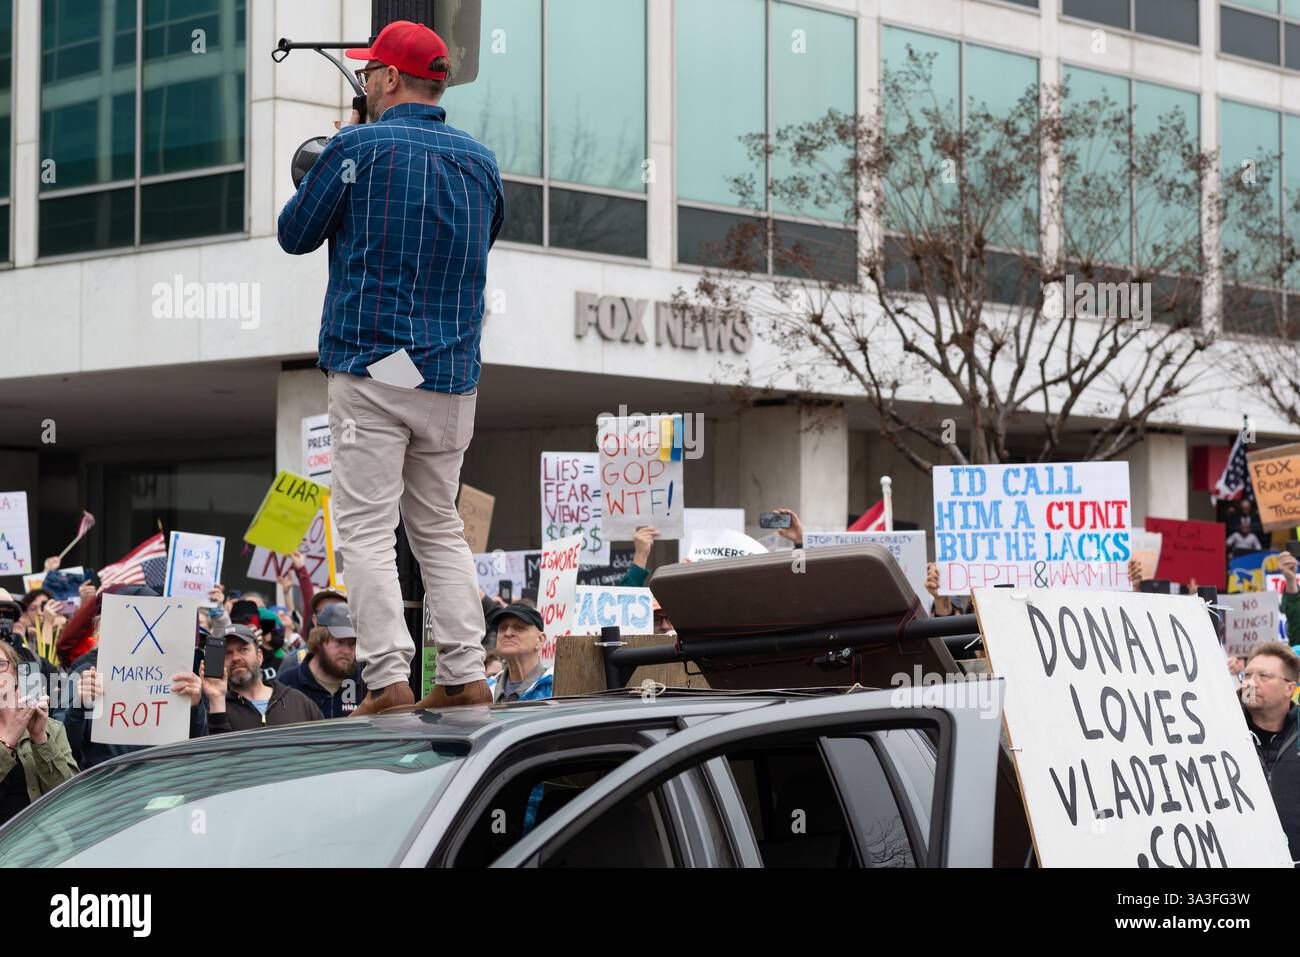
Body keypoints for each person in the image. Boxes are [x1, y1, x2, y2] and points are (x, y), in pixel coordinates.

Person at [278, 19, 505, 716]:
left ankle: (387, 677)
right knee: (437, 522)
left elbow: (295, 232)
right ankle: (466, 671)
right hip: (451, 375)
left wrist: (345, 146)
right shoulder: (482, 161)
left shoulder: (357, 146)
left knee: (368, 530)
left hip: (374, 366)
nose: (368, 80)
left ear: (387, 79)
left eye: (371, 71)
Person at [0, 640, 77, 827]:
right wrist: (8, 741)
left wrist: (40, 738)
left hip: (44, 850)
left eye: (1, 664)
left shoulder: (51, 728)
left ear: (17, 674)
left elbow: (71, 800)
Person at [1240, 641, 1300, 859]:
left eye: (1264, 676)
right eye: (1246, 675)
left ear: (1289, 688)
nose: (1251, 684)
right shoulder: (1220, 730)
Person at [203, 625, 324, 732]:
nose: (236, 658)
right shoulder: (217, 708)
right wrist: (217, 699)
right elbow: (218, 756)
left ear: (259, 656)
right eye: (228, 653)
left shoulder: (297, 701)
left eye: (243, 650)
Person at [276, 603, 367, 718]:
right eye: (339, 642)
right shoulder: (288, 683)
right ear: (319, 639)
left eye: (352, 644)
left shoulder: (365, 683)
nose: (347, 651)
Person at [490, 605, 553, 704]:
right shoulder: (487, 689)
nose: (508, 633)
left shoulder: (556, 688)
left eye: (519, 628)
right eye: (502, 628)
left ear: (540, 640)